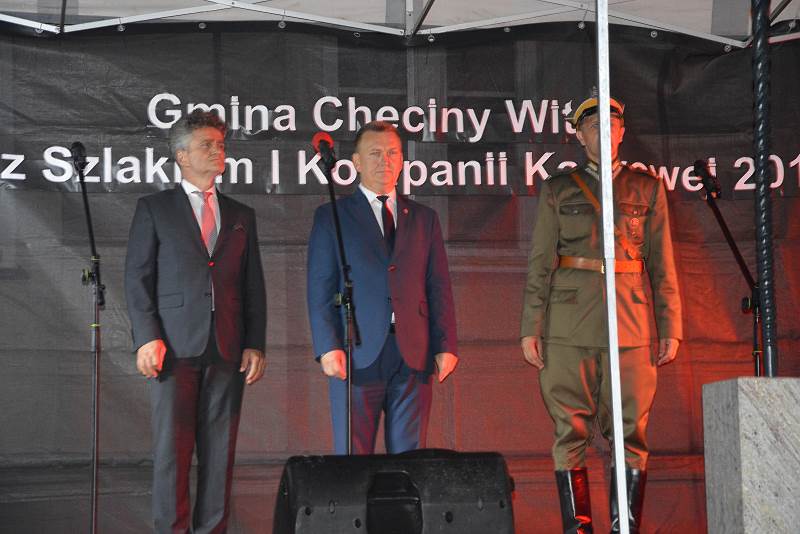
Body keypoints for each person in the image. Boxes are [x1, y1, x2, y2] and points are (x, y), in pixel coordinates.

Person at [519, 96, 682, 533]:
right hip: (568, 327)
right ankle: (579, 529)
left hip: (630, 324)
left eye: (612, 126)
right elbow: (540, 263)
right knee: (569, 432)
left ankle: (623, 528)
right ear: (579, 135)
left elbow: (662, 264)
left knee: (631, 433)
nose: (604, 133)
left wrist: (670, 325)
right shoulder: (558, 189)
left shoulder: (647, 188)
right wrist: (530, 327)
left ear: (623, 132)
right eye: (594, 127)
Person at [125, 110, 267, 533]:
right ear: (182, 156)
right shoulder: (154, 209)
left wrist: (255, 342)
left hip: (226, 346)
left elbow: (252, 284)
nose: (218, 151)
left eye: (221, 144)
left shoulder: (241, 214)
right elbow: (137, 278)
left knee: (220, 454)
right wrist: (146, 337)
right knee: (173, 453)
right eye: (207, 144)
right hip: (172, 347)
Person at [307, 120, 458, 454]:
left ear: (402, 160)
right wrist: (328, 346)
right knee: (353, 460)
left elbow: (438, 285)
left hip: (412, 354)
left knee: (410, 460)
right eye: (375, 153)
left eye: (392, 153)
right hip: (356, 352)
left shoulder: (424, 218)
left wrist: (445, 344)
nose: (384, 161)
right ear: (357, 162)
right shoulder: (332, 216)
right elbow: (320, 287)